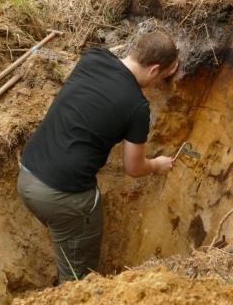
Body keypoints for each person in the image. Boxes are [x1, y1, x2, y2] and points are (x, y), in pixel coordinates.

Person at [17, 30, 179, 284]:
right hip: (63, 196)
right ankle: (70, 290)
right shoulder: (137, 107)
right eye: (164, 78)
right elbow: (134, 167)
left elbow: (94, 103)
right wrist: (157, 165)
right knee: (78, 278)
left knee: (67, 238)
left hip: (27, 175)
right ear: (155, 69)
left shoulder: (92, 58)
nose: (159, 84)